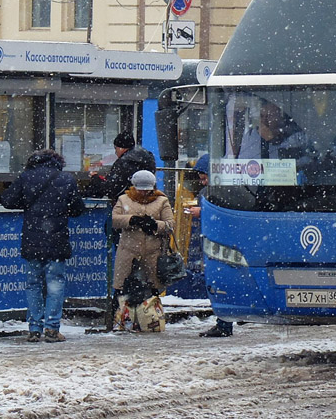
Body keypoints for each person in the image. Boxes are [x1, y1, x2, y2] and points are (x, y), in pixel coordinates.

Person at [0, 149, 87, 343]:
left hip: (32, 240)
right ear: (58, 162)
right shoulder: (66, 179)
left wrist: (29, 204)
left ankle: (34, 328)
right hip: (56, 240)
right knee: (55, 284)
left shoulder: (26, 177)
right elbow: (78, 208)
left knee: (33, 285)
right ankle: (52, 328)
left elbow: (7, 200)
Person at [186, 155, 235, 338]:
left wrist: (202, 211)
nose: (202, 181)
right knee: (218, 284)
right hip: (214, 243)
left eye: (204, 177)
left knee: (221, 283)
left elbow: (224, 213)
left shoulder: (221, 192)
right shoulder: (215, 190)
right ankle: (223, 322)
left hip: (220, 245)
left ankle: (224, 324)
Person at [110, 170, 174, 308]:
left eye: (147, 190)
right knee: (122, 289)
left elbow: (170, 225)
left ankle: (148, 320)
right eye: (141, 190)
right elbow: (114, 220)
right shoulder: (123, 200)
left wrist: (155, 224)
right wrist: (131, 220)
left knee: (152, 290)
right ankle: (120, 318)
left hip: (153, 254)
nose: (144, 193)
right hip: (128, 252)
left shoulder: (162, 201)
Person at [87, 131, 157, 199]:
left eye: (115, 148)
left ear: (121, 148)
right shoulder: (146, 157)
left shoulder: (124, 162)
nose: (115, 152)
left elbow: (110, 189)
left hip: (128, 201)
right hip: (147, 199)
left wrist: (95, 178)